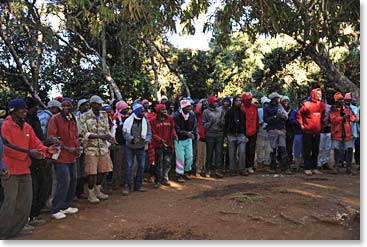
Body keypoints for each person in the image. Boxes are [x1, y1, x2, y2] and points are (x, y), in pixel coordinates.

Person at [0, 99, 58, 239]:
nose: (25, 111)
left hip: (24, 169)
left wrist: (47, 150)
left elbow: (36, 143)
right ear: (13, 110)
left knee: (25, 202)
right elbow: (7, 148)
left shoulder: (27, 127)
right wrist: (29, 153)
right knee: (10, 202)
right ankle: (2, 232)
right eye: (22, 109)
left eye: (26, 108)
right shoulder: (5, 126)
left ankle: (15, 229)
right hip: (9, 170)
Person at [47, 98, 79, 220]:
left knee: (73, 180)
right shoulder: (55, 119)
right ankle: (56, 208)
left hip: (72, 156)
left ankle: (66, 205)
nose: (66, 107)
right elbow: (52, 138)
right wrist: (67, 148)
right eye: (64, 105)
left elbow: (75, 135)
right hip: (60, 155)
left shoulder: (73, 118)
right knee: (64, 181)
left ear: (72, 106)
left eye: (68, 105)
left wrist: (77, 147)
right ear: (61, 106)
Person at [79, 95, 114, 203]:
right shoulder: (84, 116)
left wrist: (110, 139)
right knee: (92, 173)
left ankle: (98, 189)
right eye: (98, 104)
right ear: (92, 104)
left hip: (103, 148)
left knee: (104, 170)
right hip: (91, 148)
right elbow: (83, 133)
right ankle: (91, 193)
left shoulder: (104, 115)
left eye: (100, 104)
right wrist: (101, 137)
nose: (100, 105)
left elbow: (107, 129)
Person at [25, 97, 52, 226]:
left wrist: (45, 147)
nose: (37, 109)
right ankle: (30, 217)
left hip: (40, 156)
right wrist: (45, 143)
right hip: (29, 160)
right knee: (33, 189)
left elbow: (38, 139)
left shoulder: (35, 119)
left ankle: (35, 214)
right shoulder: (24, 122)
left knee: (44, 186)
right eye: (35, 107)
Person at [122, 103, 152, 195]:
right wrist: (132, 139)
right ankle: (127, 185)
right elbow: (125, 133)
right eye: (141, 111)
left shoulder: (145, 121)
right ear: (136, 112)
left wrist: (147, 141)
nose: (143, 113)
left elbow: (149, 133)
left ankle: (138, 185)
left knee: (141, 166)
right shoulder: (128, 121)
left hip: (141, 147)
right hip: (130, 147)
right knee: (129, 166)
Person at [297, 88, 325, 176]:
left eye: (320, 94)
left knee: (316, 150)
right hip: (307, 131)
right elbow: (299, 114)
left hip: (317, 131)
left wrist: (322, 125)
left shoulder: (322, 105)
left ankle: (314, 167)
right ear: (313, 95)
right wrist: (301, 125)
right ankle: (307, 168)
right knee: (307, 150)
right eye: (318, 94)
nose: (319, 96)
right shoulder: (306, 104)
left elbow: (323, 116)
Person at [263, 92, 292, 174]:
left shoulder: (280, 106)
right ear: (274, 99)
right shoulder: (267, 107)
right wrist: (275, 116)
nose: (279, 99)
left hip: (282, 129)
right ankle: (273, 167)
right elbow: (266, 119)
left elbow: (286, 117)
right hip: (272, 130)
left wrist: (284, 115)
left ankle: (286, 167)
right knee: (273, 149)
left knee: (283, 149)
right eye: (278, 98)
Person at [150, 104, 177, 188]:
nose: (165, 111)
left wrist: (174, 135)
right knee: (159, 163)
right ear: (158, 111)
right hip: (158, 145)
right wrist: (160, 139)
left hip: (169, 144)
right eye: (162, 110)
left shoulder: (170, 119)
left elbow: (173, 129)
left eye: (165, 109)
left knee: (167, 162)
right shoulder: (152, 121)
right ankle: (158, 180)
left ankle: (165, 178)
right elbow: (152, 133)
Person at [330, 92, 356, 174]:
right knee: (336, 149)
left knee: (349, 149)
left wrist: (349, 116)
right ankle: (336, 166)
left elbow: (354, 118)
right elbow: (333, 120)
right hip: (337, 132)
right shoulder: (334, 109)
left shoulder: (348, 108)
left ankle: (349, 167)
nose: (341, 101)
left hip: (347, 132)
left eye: (342, 99)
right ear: (336, 101)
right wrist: (342, 118)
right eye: (339, 100)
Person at [173, 100, 198, 183]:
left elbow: (195, 125)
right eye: (187, 107)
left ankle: (187, 171)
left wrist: (196, 133)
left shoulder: (192, 114)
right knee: (180, 158)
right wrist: (186, 133)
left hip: (189, 138)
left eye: (189, 106)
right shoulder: (176, 116)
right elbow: (177, 129)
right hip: (179, 140)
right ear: (183, 107)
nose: (189, 108)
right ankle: (179, 174)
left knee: (190, 156)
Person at [224, 95, 247, 176]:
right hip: (231, 135)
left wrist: (245, 135)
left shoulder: (243, 112)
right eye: (237, 100)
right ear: (234, 101)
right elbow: (225, 124)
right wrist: (225, 136)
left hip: (241, 135)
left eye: (240, 100)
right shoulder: (229, 112)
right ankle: (232, 170)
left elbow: (245, 125)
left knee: (242, 151)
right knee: (231, 153)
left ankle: (242, 169)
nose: (238, 102)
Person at [202, 96, 225, 178]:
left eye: (216, 102)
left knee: (219, 154)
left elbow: (223, 122)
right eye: (214, 102)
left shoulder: (220, 110)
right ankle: (207, 170)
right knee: (209, 154)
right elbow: (204, 125)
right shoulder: (205, 112)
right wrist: (210, 123)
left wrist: (222, 123)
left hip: (219, 134)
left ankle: (218, 171)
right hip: (210, 135)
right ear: (210, 103)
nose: (216, 103)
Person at [111, 100, 129, 189]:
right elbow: (115, 129)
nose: (126, 110)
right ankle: (115, 182)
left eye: (127, 109)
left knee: (125, 163)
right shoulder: (116, 118)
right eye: (124, 109)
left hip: (127, 144)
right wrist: (123, 127)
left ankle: (123, 181)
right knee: (118, 163)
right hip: (119, 143)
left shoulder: (128, 117)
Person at [75, 99, 90, 199]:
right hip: (77, 146)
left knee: (83, 170)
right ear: (80, 106)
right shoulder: (76, 117)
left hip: (86, 146)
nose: (87, 107)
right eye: (85, 105)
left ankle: (80, 192)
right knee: (76, 170)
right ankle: (74, 193)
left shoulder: (89, 117)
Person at [241, 93, 259, 174]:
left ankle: (250, 166)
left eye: (250, 99)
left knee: (251, 150)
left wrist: (257, 128)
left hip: (253, 131)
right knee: (244, 150)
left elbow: (257, 118)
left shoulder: (254, 107)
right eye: (248, 99)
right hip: (244, 132)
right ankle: (243, 166)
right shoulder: (241, 107)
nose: (249, 101)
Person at [290, 99, 305, 171]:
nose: (303, 103)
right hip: (298, 133)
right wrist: (300, 121)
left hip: (306, 133)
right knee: (297, 150)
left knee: (305, 149)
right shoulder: (295, 111)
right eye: (302, 102)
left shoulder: (308, 112)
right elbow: (292, 121)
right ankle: (296, 164)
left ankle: (303, 164)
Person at [256, 96, 271, 168]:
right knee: (260, 148)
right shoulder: (259, 111)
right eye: (265, 104)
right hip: (260, 131)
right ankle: (259, 161)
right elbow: (256, 120)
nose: (266, 105)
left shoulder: (271, 110)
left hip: (269, 132)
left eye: (267, 104)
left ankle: (267, 162)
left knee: (268, 148)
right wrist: (259, 123)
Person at [194, 99, 208, 176]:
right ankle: (198, 169)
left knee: (205, 154)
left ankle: (203, 168)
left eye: (206, 105)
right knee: (199, 153)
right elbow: (196, 110)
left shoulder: (209, 113)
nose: (205, 106)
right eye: (204, 105)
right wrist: (200, 103)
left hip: (207, 135)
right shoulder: (198, 114)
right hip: (200, 135)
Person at [317, 98, 332, 170]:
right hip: (320, 130)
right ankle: (319, 163)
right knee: (320, 147)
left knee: (328, 147)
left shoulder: (329, 107)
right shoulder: (317, 107)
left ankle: (325, 162)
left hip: (328, 129)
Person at [281, 96, 294, 164]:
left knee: (289, 147)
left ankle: (290, 159)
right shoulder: (279, 109)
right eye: (284, 101)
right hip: (281, 129)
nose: (286, 102)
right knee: (281, 146)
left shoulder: (291, 110)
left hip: (289, 130)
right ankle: (281, 160)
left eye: (287, 101)